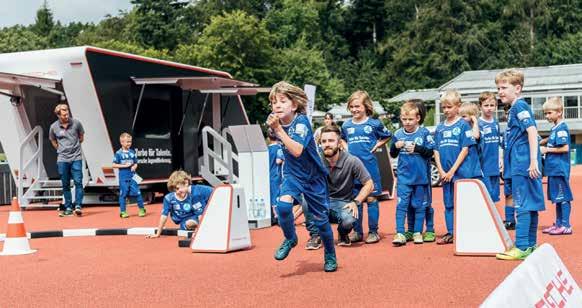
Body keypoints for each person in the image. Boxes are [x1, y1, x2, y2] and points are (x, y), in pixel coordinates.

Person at [266, 81, 337, 272]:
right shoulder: (275, 122)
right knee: (282, 206)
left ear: (294, 105)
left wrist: (279, 131)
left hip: (313, 177)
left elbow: (297, 150)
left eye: (282, 101)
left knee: (321, 222)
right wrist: (277, 129)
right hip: (292, 175)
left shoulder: (302, 122)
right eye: (274, 102)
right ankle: (290, 238)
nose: (277, 105)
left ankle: (330, 254)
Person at [495, 69, 545, 261]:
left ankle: (522, 245)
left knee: (522, 203)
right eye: (498, 88)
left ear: (517, 88)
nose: (500, 91)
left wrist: (533, 160)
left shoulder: (519, 107)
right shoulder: (516, 108)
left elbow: (532, 131)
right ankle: (531, 244)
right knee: (530, 204)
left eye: (503, 87)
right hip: (522, 162)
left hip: (522, 163)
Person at [341, 90, 391, 244]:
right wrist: (346, 148)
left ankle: (373, 231)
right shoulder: (346, 125)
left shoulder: (374, 123)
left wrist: (377, 145)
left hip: (370, 167)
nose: (355, 110)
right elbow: (341, 139)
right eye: (352, 107)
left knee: (370, 198)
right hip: (352, 169)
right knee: (357, 199)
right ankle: (357, 232)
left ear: (366, 106)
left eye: (358, 106)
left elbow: (388, 135)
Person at [313, 125, 374, 246]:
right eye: (324, 141)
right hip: (322, 202)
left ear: (339, 143)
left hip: (343, 203)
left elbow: (369, 184)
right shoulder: (316, 161)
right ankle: (315, 235)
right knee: (305, 199)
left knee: (350, 219)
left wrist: (356, 202)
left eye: (331, 141)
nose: (327, 144)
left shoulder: (352, 160)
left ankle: (342, 233)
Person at [434, 91, 482, 245]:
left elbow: (465, 149)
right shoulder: (440, 127)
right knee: (448, 204)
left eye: (449, 107)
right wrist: (441, 171)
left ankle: (468, 232)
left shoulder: (463, 125)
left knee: (465, 204)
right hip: (445, 174)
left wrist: (452, 171)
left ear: (458, 107)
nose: (446, 110)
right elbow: (436, 150)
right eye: (444, 107)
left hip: (460, 173)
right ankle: (451, 232)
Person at [390, 101, 435, 246]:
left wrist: (417, 148)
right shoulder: (397, 134)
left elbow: (430, 153)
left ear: (418, 119)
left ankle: (417, 232)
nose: (407, 122)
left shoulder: (424, 133)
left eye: (410, 119)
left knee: (419, 206)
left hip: (421, 178)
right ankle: (400, 233)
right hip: (404, 177)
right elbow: (392, 153)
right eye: (404, 119)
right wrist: (395, 147)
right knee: (401, 205)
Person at [540, 97, 573, 235]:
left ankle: (565, 225)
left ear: (559, 112)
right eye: (545, 113)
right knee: (557, 198)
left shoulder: (561, 129)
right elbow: (552, 138)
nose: (547, 116)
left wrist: (547, 150)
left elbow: (565, 148)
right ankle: (559, 223)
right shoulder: (555, 128)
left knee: (563, 197)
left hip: (559, 169)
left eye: (549, 113)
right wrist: (543, 141)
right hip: (553, 170)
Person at [146, 170, 212, 238]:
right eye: (175, 190)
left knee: (193, 221)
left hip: (202, 214)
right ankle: (204, 226)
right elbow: (164, 216)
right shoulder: (169, 198)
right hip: (186, 221)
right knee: (189, 223)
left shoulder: (195, 194)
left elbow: (200, 214)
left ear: (186, 183)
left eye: (178, 188)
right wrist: (158, 234)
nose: (177, 192)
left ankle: (206, 226)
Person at [49, 104, 85, 217]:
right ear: (58, 115)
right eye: (64, 115)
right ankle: (68, 207)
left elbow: (81, 137)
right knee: (65, 184)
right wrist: (60, 149)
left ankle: (78, 205)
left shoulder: (76, 123)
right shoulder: (54, 127)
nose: (66, 116)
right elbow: (53, 140)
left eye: (67, 113)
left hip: (76, 157)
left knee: (78, 182)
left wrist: (74, 147)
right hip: (62, 159)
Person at [112, 132, 146, 218]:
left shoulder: (132, 152)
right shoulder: (118, 153)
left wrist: (134, 166)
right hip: (123, 178)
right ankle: (123, 212)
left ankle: (142, 209)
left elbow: (136, 163)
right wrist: (124, 166)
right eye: (127, 142)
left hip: (133, 177)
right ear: (122, 142)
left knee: (138, 193)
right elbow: (113, 165)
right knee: (123, 194)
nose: (129, 144)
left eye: (130, 142)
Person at [478, 92, 502, 203]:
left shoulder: (496, 123)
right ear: (480, 106)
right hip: (483, 168)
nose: (489, 108)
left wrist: (501, 159)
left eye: (492, 105)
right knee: (487, 197)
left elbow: (498, 144)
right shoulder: (478, 124)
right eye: (486, 105)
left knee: (495, 197)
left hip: (495, 168)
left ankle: (495, 220)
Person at [501, 103, 516, 230]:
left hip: (519, 168)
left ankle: (523, 220)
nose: (508, 116)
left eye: (510, 113)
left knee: (520, 195)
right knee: (508, 194)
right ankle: (510, 220)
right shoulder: (505, 132)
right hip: (508, 169)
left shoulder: (521, 129)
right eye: (506, 113)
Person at [267, 129, 285, 225]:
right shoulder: (280, 148)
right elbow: (279, 161)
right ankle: (277, 216)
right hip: (277, 174)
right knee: (277, 195)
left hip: (268, 175)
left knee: (271, 195)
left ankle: (272, 216)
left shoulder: (266, 149)